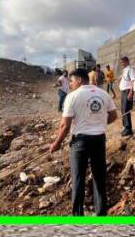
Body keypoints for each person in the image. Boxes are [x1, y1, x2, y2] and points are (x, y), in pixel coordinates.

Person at [49, 67, 117, 216]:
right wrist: (98, 123)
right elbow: (113, 116)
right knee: (99, 177)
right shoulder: (103, 93)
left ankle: (78, 216)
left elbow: (64, 125)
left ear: (79, 80)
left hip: (80, 143)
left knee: (78, 179)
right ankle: (101, 215)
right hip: (99, 140)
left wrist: (56, 143)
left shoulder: (72, 97)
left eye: (72, 81)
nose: (71, 84)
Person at [118, 56, 135, 137]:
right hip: (123, 91)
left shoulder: (130, 69)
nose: (121, 64)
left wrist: (131, 92)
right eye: (121, 63)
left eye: (122, 62)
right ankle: (125, 126)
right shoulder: (125, 69)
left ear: (126, 61)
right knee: (123, 110)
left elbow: (133, 81)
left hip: (127, 91)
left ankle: (128, 129)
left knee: (126, 110)